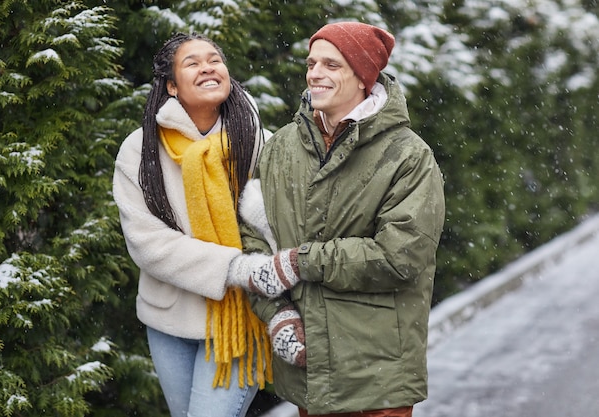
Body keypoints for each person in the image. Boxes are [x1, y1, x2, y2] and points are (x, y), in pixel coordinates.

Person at [228, 22, 446, 417]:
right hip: (309, 375)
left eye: (331, 64)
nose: (315, 73)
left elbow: (401, 257)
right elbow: (255, 242)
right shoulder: (279, 149)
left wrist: (301, 262)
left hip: (377, 375)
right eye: (312, 63)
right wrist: (278, 315)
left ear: (363, 77)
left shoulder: (408, 157)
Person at [112, 32, 273, 417]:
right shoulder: (140, 149)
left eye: (214, 59)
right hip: (168, 318)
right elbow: (146, 242)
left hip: (240, 320)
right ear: (171, 85)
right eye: (193, 62)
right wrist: (231, 266)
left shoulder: (258, 142)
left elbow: (277, 225)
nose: (207, 67)